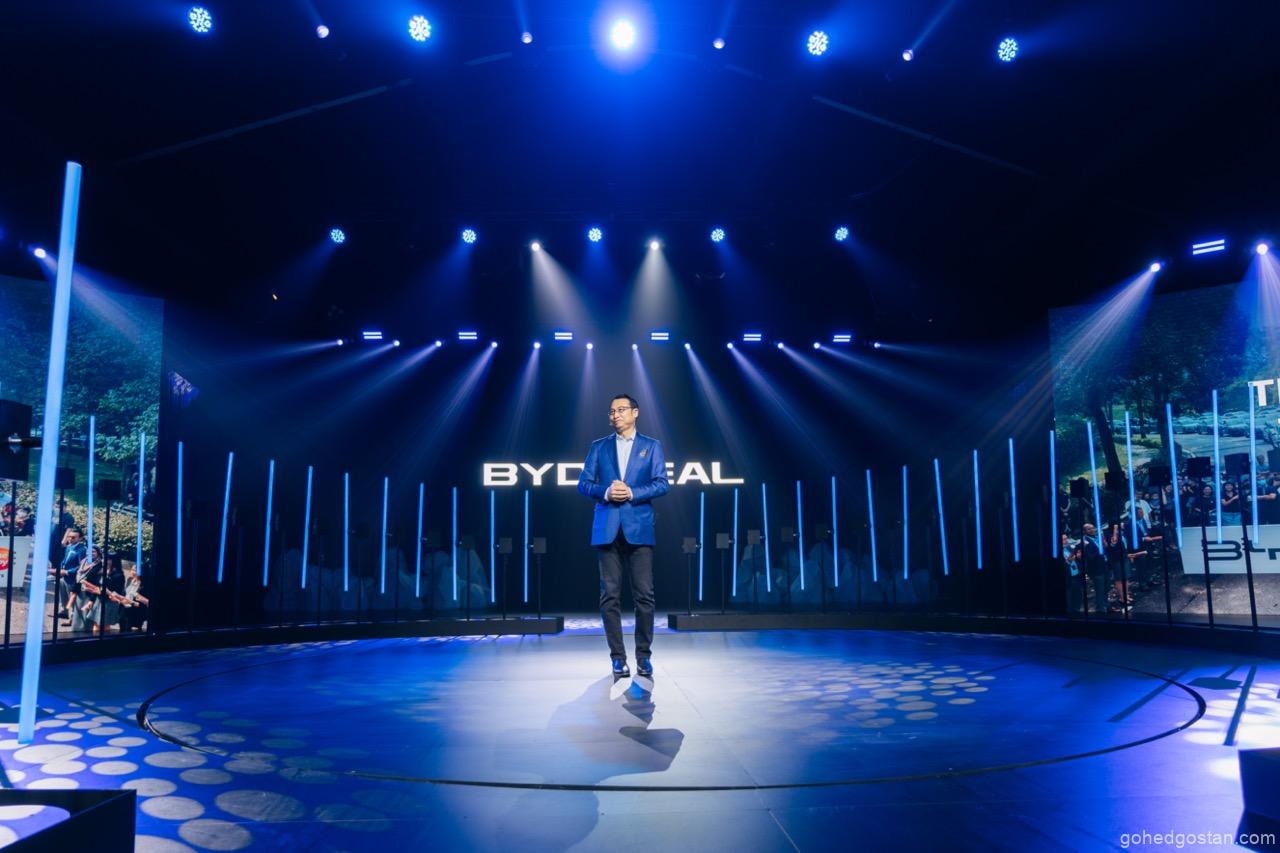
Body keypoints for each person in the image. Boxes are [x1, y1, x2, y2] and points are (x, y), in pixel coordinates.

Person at [577, 393, 669, 679]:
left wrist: (631, 492)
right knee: (609, 597)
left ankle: (644, 657)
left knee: (645, 597)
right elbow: (583, 484)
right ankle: (618, 659)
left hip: (639, 529)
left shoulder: (651, 446)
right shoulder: (599, 446)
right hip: (607, 530)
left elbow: (662, 484)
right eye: (611, 411)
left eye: (620, 410)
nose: (615, 415)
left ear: (635, 413)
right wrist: (606, 492)